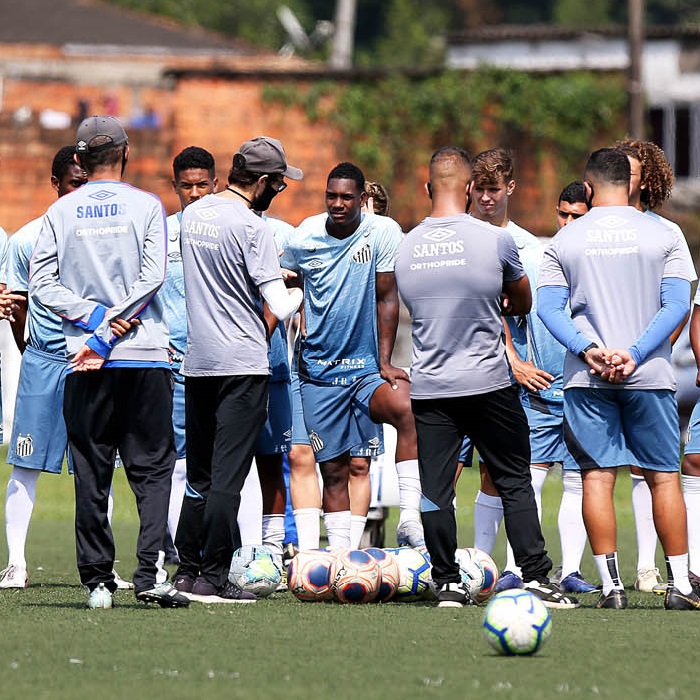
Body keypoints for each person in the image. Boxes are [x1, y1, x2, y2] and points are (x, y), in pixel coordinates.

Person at [394, 146, 577, 609]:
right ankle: (535, 577)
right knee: (513, 479)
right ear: (472, 189)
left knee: (435, 489)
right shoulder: (496, 241)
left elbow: (417, 309)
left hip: (432, 385)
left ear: (427, 187)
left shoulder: (406, 245)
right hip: (489, 382)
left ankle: (447, 583)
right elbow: (523, 301)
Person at [29, 116, 189, 609]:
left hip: (84, 359)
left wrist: (93, 324)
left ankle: (98, 580)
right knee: (153, 470)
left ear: (77, 160)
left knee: (92, 469)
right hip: (141, 356)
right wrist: (110, 324)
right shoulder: (146, 205)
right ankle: (149, 576)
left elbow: (42, 283)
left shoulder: (62, 210)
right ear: (127, 152)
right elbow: (153, 277)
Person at [538, 147, 699, 610]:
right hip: (649, 374)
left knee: (596, 478)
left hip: (586, 379)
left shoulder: (564, 240)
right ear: (628, 184)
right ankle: (681, 588)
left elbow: (548, 308)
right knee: (664, 479)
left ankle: (612, 589)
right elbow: (676, 305)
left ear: (587, 188)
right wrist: (632, 353)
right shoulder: (664, 234)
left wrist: (590, 350)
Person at [172, 136, 303, 602]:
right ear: (263, 182)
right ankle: (214, 575)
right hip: (243, 364)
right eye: (279, 185)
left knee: (200, 476)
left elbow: (218, 277)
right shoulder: (253, 227)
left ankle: (185, 571)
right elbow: (280, 306)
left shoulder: (193, 214)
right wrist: (302, 286)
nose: (278, 193)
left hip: (199, 361)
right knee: (230, 476)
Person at [0, 147, 132, 590]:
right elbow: (16, 305)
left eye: (87, 181)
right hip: (44, 360)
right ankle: (16, 562)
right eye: (75, 183)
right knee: (26, 461)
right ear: (56, 185)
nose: (82, 190)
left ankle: (104, 565)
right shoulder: (25, 239)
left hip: (93, 361)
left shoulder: (105, 233)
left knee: (96, 466)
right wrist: (33, 350)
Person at [281, 162, 423, 550]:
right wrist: (294, 298)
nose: (338, 204)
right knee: (334, 469)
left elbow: (387, 296)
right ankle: (341, 558)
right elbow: (283, 279)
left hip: (365, 371)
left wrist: (385, 360)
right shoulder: (304, 236)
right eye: (332, 196)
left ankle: (410, 519)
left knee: (406, 407)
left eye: (347, 197)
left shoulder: (382, 232)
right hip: (318, 373)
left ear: (362, 199)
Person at [476, 180, 598, 595]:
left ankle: (570, 572)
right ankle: (515, 567)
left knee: (579, 481)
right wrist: (519, 364)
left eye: (576, 217)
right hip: (537, 389)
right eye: (562, 214)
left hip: (584, 388)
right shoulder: (540, 256)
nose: (567, 223)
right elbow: (506, 313)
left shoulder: (599, 261)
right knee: (527, 479)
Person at [616, 138, 697, 593]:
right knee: (615, 471)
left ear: (645, 180)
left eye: (626, 172)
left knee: (659, 468)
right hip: (602, 366)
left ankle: (675, 573)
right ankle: (640, 567)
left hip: (648, 369)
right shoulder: (591, 230)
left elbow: (679, 304)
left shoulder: (665, 232)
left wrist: (645, 350)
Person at [160, 146, 218, 564]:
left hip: (225, 362)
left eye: (202, 185)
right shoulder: (160, 232)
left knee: (229, 459)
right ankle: (178, 546)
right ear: (175, 187)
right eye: (187, 186)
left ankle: (231, 547)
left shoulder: (232, 227)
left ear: (215, 184)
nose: (195, 193)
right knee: (179, 458)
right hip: (175, 365)